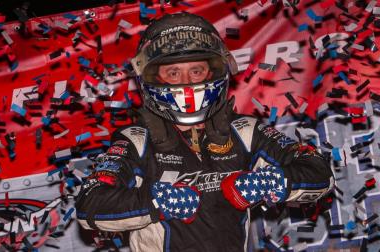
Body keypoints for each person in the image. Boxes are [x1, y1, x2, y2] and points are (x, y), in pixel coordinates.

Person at [75, 12, 334, 252]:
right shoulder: (136, 139)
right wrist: (156, 202)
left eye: (196, 71)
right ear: (152, 77)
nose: (187, 82)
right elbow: (90, 205)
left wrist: (272, 182)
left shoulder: (244, 130)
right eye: (173, 72)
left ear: (214, 71)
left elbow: (320, 172)